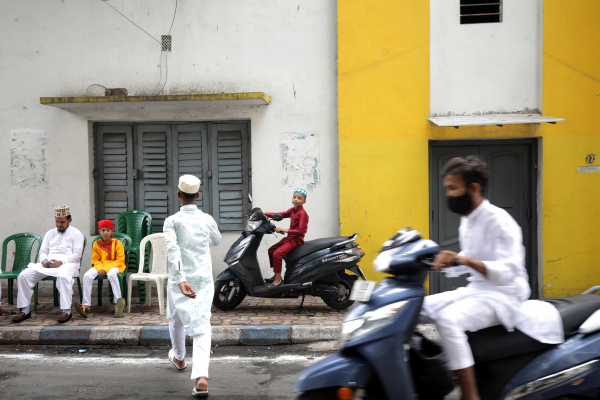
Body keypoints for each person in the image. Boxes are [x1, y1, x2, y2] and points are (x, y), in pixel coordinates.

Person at [420, 156, 563, 400]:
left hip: (505, 295)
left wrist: (463, 260)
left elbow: (509, 270)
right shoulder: (468, 220)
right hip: (477, 290)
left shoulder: (500, 221)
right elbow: (470, 258)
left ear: (473, 188)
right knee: (414, 308)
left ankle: (471, 395)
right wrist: (445, 263)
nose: (449, 195)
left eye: (453, 188)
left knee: (448, 320)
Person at [165, 174, 221, 398]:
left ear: (178, 195)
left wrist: (181, 279)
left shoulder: (172, 221)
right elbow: (216, 240)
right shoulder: (207, 219)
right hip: (204, 280)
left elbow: (172, 250)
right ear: (198, 195)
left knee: (176, 319)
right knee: (202, 324)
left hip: (180, 280)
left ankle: (179, 358)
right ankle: (201, 377)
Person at [13, 205, 85, 324]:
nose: (59, 225)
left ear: (69, 220)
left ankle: (66, 311)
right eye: (57, 222)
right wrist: (43, 260)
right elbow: (42, 252)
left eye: (62, 222)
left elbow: (77, 255)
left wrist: (61, 262)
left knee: (62, 276)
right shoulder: (50, 233)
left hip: (68, 264)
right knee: (24, 275)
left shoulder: (77, 233)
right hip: (48, 264)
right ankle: (25, 310)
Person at [74, 220, 126, 319]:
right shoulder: (96, 244)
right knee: (87, 275)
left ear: (112, 231)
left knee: (111, 274)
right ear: (99, 231)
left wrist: (106, 269)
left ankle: (118, 303)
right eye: (103, 230)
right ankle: (86, 305)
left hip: (116, 266)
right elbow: (95, 260)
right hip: (99, 266)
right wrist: (101, 268)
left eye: (108, 230)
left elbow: (120, 260)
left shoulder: (118, 243)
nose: (105, 232)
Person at [264, 188, 309, 287]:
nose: (296, 199)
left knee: (277, 254)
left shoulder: (302, 214)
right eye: (294, 197)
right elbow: (281, 214)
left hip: (296, 240)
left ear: (304, 201)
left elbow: (300, 231)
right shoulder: (293, 210)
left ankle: (278, 279)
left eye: (299, 198)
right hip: (289, 238)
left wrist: (284, 230)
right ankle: (276, 274)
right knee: (271, 250)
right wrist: (264, 214)